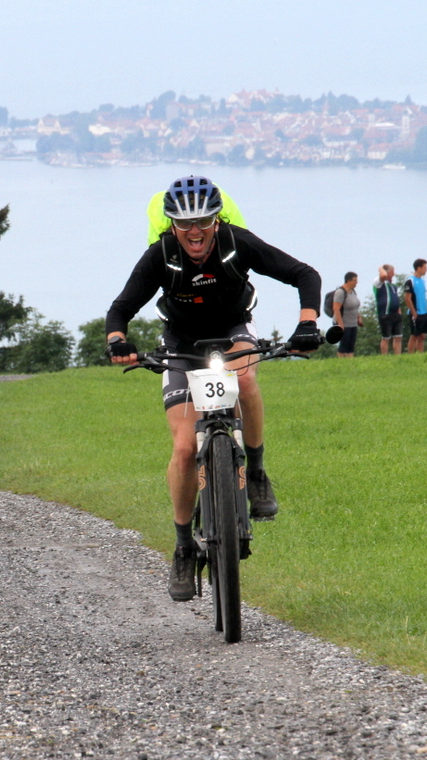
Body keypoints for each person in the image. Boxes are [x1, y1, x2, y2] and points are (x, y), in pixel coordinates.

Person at [105, 175, 323, 602]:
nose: (194, 231)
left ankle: (256, 473)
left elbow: (303, 274)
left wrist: (307, 323)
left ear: (216, 221)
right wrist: (118, 342)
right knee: (185, 448)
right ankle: (183, 545)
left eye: (203, 221)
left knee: (245, 378)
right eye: (184, 223)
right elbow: (121, 308)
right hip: (181, 346)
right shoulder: (160, 255)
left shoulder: (237, 243)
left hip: (233, 331)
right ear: (172, 225)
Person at [330, 271, 363, 358]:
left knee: (351, 345)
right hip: (344, 323)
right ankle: (341, 361)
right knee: (344, 344)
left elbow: (355, 305)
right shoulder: (340, 292)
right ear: (348, 281)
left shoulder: (353, 291)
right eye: (354, 280)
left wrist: (359, 317)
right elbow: (336, 309)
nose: (356, 283)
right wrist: (341, 325)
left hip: (353, 323)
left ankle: (350, 362)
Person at [373, 264, 402, 355]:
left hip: (396, 314)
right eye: (391, 273)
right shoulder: (379, 283)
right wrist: (381, 268)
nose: (393, 275)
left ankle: (398, 356)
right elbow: (383, 276)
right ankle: (384, 357)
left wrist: (399, 310)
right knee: (386, 337)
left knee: (398, 336)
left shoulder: (393, 285)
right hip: (385, 314)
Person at [403, 258, 427, 353]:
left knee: (422, 336)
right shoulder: (410, 281)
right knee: (414, 335)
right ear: (419, 268)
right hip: (416, 312)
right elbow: (407, 298)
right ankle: (411, 356)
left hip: (425, 312)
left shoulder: (422, 281)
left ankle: (420, 355)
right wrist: (413, 312)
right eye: (425, 268)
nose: (426, 270)